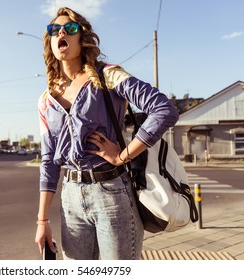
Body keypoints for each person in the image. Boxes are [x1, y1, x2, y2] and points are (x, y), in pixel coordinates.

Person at [35, 7, 179, 260]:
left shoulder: (107, 76)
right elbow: (49, 162)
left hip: (112, 193)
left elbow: (163, 109)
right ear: (50, 40)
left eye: (69, 29)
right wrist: (42, 220)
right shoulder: (46, 100)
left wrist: (124, 155)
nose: (61, 33)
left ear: (82, 38)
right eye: (54, 30)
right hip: (70, 200)